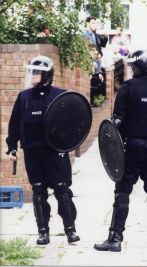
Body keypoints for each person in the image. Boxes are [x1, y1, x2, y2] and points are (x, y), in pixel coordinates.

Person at [94, 49, 147, 253]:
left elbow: (116, 121)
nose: (132, 68)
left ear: (140, 66)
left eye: (134, 65)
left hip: (131, 147)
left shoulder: (127, 88)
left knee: (122, 192)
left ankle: (115, 238)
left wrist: (113, 153)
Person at [6, 55, 80, 245]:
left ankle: (70, 230)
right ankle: (43, 232)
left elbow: (70, 123)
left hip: (54, 151)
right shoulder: (23, 97)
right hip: (32, 150)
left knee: (62, 189)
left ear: (47, 75)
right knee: (38, 190)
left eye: (37, 73)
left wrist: (68, 143)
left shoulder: (59, 95)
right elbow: (14, 124)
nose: (33, 76)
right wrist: (11, 146)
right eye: (32, 72)